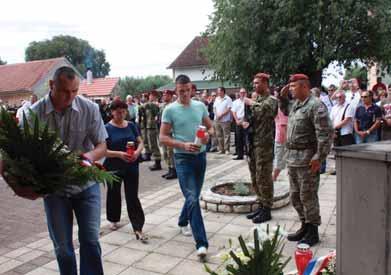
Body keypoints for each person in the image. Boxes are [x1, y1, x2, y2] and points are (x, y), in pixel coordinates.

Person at [1, 66, 107, 274]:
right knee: (63, 248)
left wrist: (88, 157)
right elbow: (13, 156)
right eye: (65, 91)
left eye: (75, 91)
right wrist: (17, 185)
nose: (70, 96)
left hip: (86, 185)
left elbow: (101, 146)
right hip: (54, 190)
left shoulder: (90, 109)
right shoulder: (33, 114)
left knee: (91, 242)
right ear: (51, 86)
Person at [160, 74, 213, 259]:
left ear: (192, 89)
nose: (184, 94)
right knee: (191, 197)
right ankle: (201, 243)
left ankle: (183, 221)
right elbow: (163, 137)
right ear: (176, 91)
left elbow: (210, 127)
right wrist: (182, 145)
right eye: (180, 91)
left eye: (187, 90)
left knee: (193, 196)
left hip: (200, 157)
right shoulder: (169, 110)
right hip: (182, 158)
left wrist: (207, 136)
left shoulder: (200, 106)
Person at [280, 74, 333, 246]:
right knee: (295, 196)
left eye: (293, 86)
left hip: (308, 160)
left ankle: (313, 231)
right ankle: (304, 225)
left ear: (304, 86)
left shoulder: (315, 105)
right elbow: (284, 110)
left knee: (308, 196)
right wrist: (282, 97)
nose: (290, 89)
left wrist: (319, 157)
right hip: (293, 159)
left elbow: (325, 134)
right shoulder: (296, 105)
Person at [103, 99, 147, 242]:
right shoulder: (106, 128)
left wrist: (137, 152)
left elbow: (140, 142)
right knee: (114, 193)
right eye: (117, 112)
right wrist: (120, 154)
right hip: (113, 166)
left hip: (131, 165)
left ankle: (138, 224)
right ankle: (113, 218)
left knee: (132, 195)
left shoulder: (132, 126)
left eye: (123, 111)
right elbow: (103, 151)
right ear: (111, 112)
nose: (121, 114)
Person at [243, 73, 278, 224]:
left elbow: (264, 111)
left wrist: (250, 103)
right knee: (255, 176)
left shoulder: (271, 100)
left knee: (264, 177)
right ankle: (261, 204)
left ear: (265, 83)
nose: (255, 86)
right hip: (253, 143)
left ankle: (267, 208)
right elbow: (253, 117)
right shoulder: (256, 99)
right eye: (254, 83)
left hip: (264, 145)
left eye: (257, 83)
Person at [160, 90, 177, 179]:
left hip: (170, 133)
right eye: (163, 95)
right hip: (164, 133)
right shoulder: (162, 106)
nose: (164, 96)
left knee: (171, 152)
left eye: (166, 95)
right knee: (165, 152)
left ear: (170, 96)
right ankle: (169, 169)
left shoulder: (173, 106)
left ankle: (174, 170)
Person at [144, 91, 162, 170]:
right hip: (149, 126)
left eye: (151, 95)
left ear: (155, 96)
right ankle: (156, 161)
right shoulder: (150, 104)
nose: (150, 97)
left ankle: (158, 162)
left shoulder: (154, 105)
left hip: (154, 127)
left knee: (154, 145)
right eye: (150, 95)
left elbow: (145, 106)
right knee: (151, 144)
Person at [213, 87, 233, 154]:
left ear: (223, 91)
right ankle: (221, 149)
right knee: (219, 135)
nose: (218, 92)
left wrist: (221, 114)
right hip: (217, 119)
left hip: (225, 120)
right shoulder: (217, 98)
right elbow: (214, 108)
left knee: (226, 135)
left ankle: (227, 149)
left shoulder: (228, 99)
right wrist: (217, 114)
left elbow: (229, 108)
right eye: (217, 91)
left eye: (219, 91)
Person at [231, 88, 247, 160]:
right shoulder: (235, 102)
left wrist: (243, 120)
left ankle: (247, 154)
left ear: (246, 93)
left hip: (245, 121)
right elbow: (233, 112)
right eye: (241, 92)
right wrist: (237, 120)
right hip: (238, 121)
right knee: (238, 139)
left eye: (244, 92)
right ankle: (240, 155)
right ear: (239, 93)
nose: (242, 94)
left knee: (246, 139)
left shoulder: (248, 101)